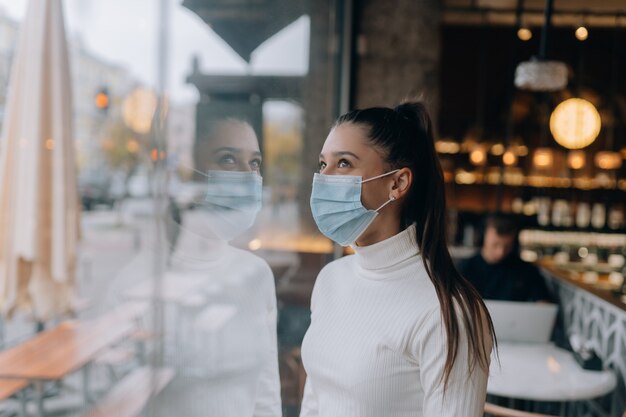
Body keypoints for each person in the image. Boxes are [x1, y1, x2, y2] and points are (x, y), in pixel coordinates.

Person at [300, 102, 495, 417]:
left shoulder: (447, 310)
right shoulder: (331, 280)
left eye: (344, 163)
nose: (325, 178)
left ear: (398, 183)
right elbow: (315, 401)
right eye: (323, 164)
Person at [154, 118, 281, 417]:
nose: (248, 175)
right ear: (193, 170)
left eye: (255, 162)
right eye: (228, 159)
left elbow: (266, 388)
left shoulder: (256, 274)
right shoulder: (144, 279)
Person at [458, 212, 552, 302]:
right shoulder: (464, 269)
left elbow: (543, 302)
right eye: (495, 244)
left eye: (507, 246)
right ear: (483, 238)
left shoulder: (526, 270)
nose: (501, 252)